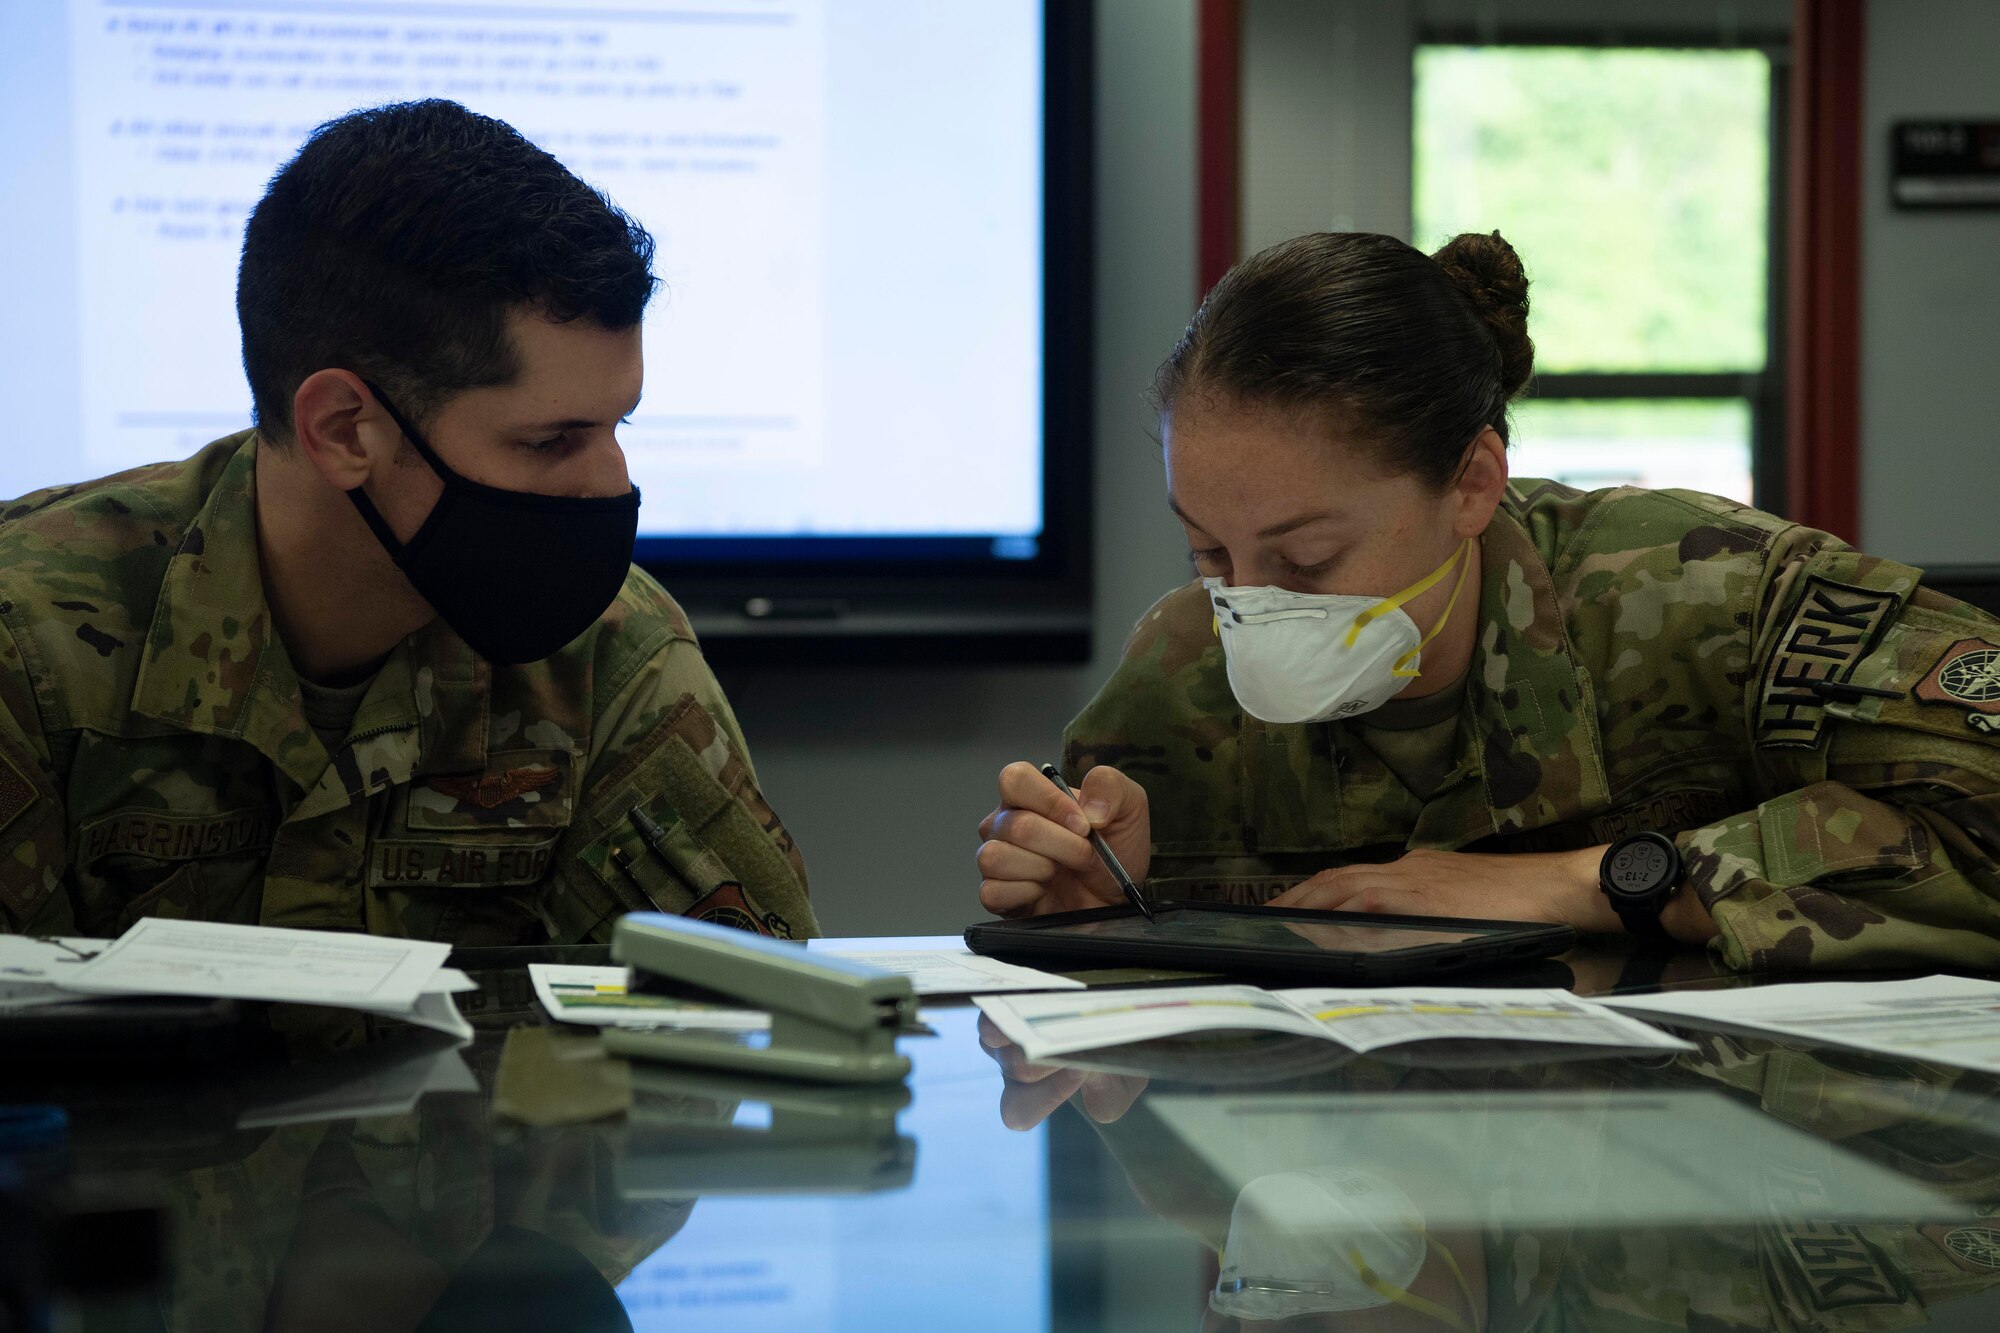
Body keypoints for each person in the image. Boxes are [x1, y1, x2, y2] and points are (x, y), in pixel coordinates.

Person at [978, 230, 2000, 971]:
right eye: (1206, 549)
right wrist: (1094, 920)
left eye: (1304, 558)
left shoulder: (1709, 599)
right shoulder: (1176, 676)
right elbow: (1127, 1077)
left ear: (1470, 484)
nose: (1246, 602)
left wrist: (1594, 882)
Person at [0, 100, 814, 944]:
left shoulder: (611, 651)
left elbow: (773, 1027)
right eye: (549, 440)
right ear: (344, 428)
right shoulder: (28, 647)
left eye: (621, 427)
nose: (611, 481)